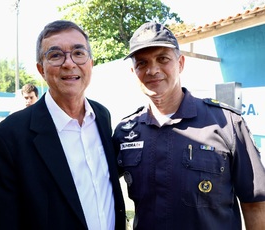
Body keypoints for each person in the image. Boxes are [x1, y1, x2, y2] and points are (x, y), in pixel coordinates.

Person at [112, 21, 265, 230]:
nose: (152, 70)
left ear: (180, 63)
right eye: (142, 63)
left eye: (162, 59)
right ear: (134, 72)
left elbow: (255, 203)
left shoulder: (227, 123)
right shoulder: (126, 132)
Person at [0, 20, 126, 230]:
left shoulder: (102, 117)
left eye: (78, 53)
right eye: (56, 55)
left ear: (90, 63)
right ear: (41, 69)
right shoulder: (8, 137)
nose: (69, 63)